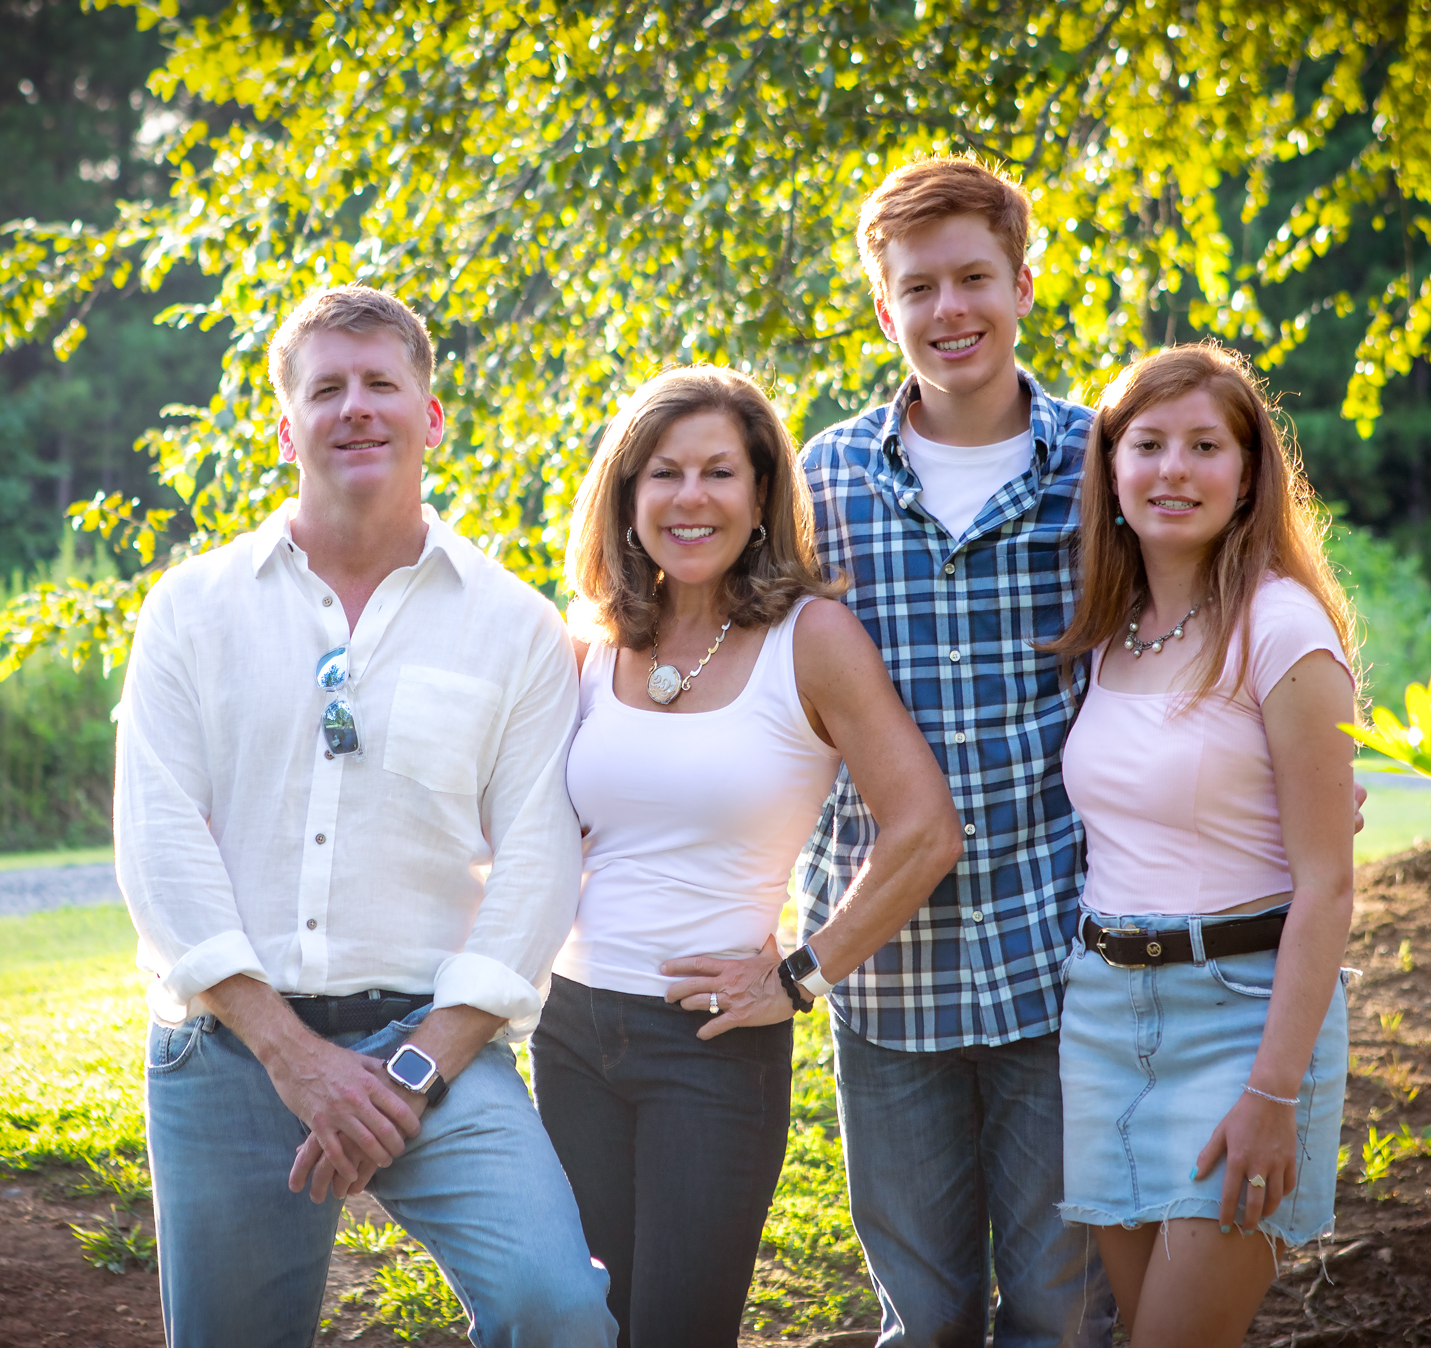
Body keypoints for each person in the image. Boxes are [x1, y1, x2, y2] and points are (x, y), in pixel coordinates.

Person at [796, 157, 1367, 1347]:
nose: (949, 310)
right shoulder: (824, 483)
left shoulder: (1097, 458)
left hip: (1060, 960)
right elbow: (753, 667)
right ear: (879, 301)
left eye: (974, 278)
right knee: (928, 1315)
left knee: (1067, 1318)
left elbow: (1247, 659)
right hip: (897, 968)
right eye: (918, 287)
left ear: (1021, 282)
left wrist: (1305, 773)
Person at [115, 284, 617, 1347]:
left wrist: (411, 1065)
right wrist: (294, 1058)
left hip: (431, 1046)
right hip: (231, 1046)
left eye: (382, 384)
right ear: (281, 421)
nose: (357, 408)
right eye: (326, 388)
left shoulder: (514, 626)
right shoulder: (191, 610)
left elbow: (536, 864)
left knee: (557, 1308)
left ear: (431, 414)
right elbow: (159, 843)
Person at [531, 365, 963, 1348]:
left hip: (712, 1045)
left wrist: (799, 974)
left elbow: (925, 827)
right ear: (627, 495)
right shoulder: (586, 646)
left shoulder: (810, 639)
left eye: (719, 472)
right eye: (664, 473)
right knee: (577, 1324)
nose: (691, 498)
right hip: (568, 1030)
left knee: (680, 1331)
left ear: (761, 493)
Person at [1048, 343, 1357, 1347]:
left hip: (1241, 1021)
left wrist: (1273, 1088)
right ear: (1111, 467)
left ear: (1248, 472)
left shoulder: (1281, 629)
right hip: (1104, 1019)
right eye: (1146, 444)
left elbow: (1327, 886)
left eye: (1202, 445)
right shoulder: (1110, 630)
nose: (1172, 469)